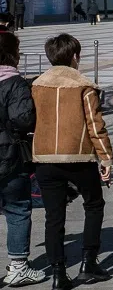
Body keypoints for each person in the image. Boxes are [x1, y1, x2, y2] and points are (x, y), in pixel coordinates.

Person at [32, 34, 113, 289]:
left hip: (44, 159)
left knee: (54, 216)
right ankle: (88, 263)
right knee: (94, 204)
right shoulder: (83, 86)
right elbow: (95, 125)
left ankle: (58, 273)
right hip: (78, 157)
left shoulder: (36, 85)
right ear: (75, 57)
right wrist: (106, 158)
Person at [0, 30, 46, 286]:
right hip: (8, 155)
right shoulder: (14, 82)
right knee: (17, 208)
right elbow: (23, 119)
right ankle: (18, 267)